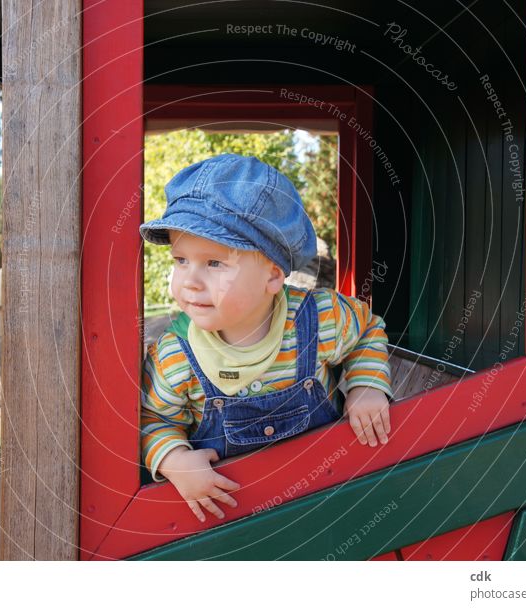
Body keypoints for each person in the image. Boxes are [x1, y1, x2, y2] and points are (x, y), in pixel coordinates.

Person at [138, 153, 393, 523]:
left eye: (213, 263)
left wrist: (366, 385)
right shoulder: (175, 358)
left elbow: (367, 330)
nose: (189, 280)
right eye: (180, 260)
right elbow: (153, 418)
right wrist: (175, 460)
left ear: (273, 276)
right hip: (234, 522)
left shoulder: (318, 320)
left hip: (329, 500)